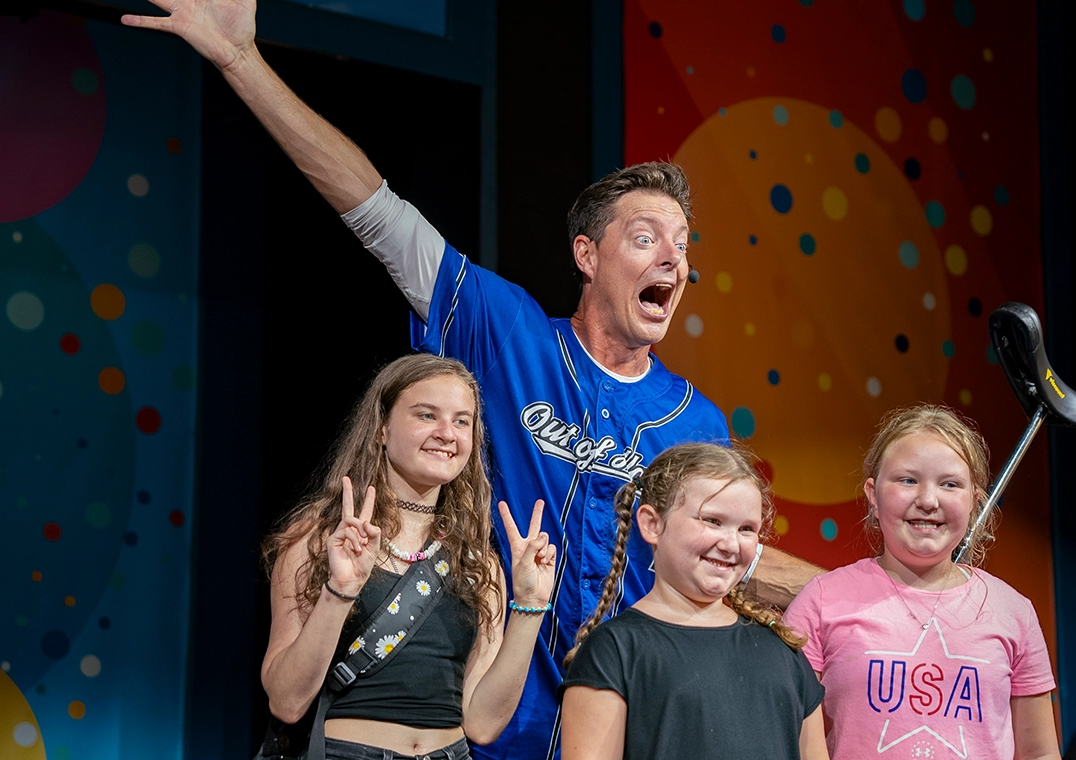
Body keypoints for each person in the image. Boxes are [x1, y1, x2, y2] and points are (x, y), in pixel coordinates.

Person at [122, 3, 824, 756]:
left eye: (682, 248)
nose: (671, 262)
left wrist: (891, 588)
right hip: (478, 721)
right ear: (587, 256)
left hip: (624, 725)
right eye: (645, 237)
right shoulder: (504, 331)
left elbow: (732, 556)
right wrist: (241, 62)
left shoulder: (697, 422)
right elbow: (375, 211)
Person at [259, 354, 555, 759]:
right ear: (381, 429)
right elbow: (286, 702)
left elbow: (483, 724)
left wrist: (530, 609)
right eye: (426, 415)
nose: (447, 433)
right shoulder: (317, 538)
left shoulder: (478, 562)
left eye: (462, 421)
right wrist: (339, 591)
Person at [785, 405, 1060, 760]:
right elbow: (788, 737)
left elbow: (1041, 753)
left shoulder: (1013, 611)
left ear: (975, 500)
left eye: (950, 484)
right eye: (907, 480)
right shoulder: (821, 601)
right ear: (873, 494)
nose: (928, 501)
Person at [558, 443, 828, 760]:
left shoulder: (783, 652)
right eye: (712, 521)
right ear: (652, 524)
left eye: (746, 529)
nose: (730, 543)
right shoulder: (614, 651)